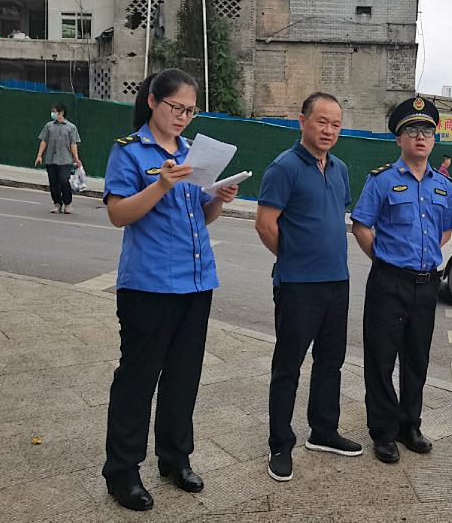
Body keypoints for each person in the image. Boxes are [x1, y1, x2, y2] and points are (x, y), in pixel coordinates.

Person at [101, 69, 239, 511]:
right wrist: (160, 184)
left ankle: (175, 458)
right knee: (137, 381)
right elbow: (119, 214)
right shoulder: (129, 152)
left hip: (197, 284)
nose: (182, 117)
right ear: (153, 102)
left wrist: (219, 197)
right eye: (176, 107)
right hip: (149, 286)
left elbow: (204, 216)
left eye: (190, 110)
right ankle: (122, 472)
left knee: (183, 377)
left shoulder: (191, 154)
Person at [255, 92, 362, 483]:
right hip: (298, 284)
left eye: (335, 123)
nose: (329, 130)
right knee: (288, 367)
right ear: (302, 121)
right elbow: (265, 223)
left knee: (330, 361)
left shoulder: (340, 168)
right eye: (322, 121)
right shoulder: (284, 167)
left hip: (337, 281)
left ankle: (324, 430)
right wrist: (294, 258)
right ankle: (280, 443)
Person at [351, 97, 452, 464]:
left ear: (434, 139)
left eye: (427, 131)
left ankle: (409, 425)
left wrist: (422, 259)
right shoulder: (381, 181)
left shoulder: (444, 187)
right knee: (381, 359)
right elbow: (362, 226)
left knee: (417, 358)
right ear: (399, 139)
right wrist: (383, 260)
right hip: (389, 282)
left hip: (427, 284)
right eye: (412, 130)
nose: (420, 137)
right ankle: (383, 432)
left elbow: (445, 232)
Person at [35, 102, 82, 214]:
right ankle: (57, 204)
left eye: (55, 112)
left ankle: (67, 204)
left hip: (65, 160)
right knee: (53, 183)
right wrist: (39, 155)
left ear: (61, 113)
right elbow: (44, 141)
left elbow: (73, 143)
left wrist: (76, 158)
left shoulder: (71, 127)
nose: (53, 113)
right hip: (50, 159)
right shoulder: (49, 126)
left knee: (64, 180)